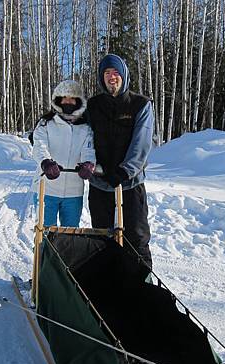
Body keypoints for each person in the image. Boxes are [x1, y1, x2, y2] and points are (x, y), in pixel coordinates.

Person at [86, 54, 154, 270]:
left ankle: (143, 286)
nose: (112, 77)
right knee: (102, 237)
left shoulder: (140, 104)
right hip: (100, 183)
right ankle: (107, 285)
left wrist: (125, 172)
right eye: (107, 73)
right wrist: (44, 127)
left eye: (116, 73)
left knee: (136, 237)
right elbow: (76, 131)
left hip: (130, 184)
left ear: (124, 76)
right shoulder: (92, 105)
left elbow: (141, 143)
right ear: (101, 78)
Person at [31, 80, 96, 227]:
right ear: (58, 100)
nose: (68, 101)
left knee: (70, 235)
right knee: (45, 234)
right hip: (46, 188)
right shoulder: (46, 123)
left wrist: (88, 164)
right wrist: (46, 162)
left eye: (72, 98)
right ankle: (43, 251)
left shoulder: (86, 127)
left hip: (74, 192)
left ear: (78, 101)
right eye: (64, 98)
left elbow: (89, 149)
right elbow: (39, 146)